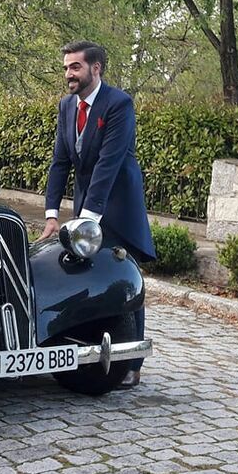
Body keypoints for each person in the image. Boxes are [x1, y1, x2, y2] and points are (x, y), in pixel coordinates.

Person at [39, 40, 155, 388]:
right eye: (65, 67)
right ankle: (87, 352)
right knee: (87, 275)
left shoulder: (118, 104)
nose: (68, 74)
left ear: (96, 68)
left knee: (123, 281)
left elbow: (108, 165)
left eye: (75, 67)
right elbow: (60, 162)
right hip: (86, 207)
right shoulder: (66, 106)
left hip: (117, 208)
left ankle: (131, 365)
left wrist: (87, 221)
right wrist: (51, 214)